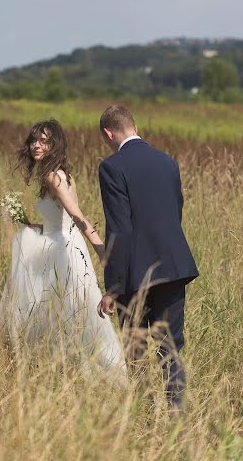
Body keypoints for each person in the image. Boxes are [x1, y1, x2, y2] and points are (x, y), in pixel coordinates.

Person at [0, 119, 126, 377]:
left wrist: (100, 248)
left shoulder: (53, 177)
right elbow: (61, 220)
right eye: (34, 140)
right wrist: (33, 226)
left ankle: (99, 368)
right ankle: (68, 367)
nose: (36, 145)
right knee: (66, 310)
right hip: (59, 243)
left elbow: (76, 215)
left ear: (54, 145)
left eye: (44, 141)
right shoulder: (62, 174)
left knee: (74, 308)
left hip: (63, 250)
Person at [96, 105, 199, 408]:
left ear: (108, 133)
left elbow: (120, 229)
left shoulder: (111, 167)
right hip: (174, 265)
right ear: (134, 125)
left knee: (135, 348)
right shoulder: (168, 162)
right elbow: (175, 212)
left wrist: (113, 287)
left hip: (135, 273)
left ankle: (141, 412)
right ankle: (175, 419)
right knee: (172, 347)